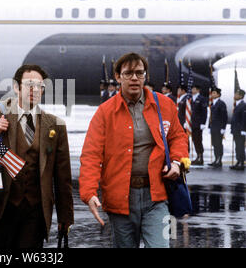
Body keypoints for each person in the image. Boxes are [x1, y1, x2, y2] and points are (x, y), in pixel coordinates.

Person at [0, 64, 74, 248]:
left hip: (35, 210)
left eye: (39, 86)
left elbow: (62, 177)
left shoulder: (55, 126)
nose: (34, 90)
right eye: (29, 84)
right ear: (17, 87)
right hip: (2, 206)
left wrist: (65, 217)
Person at [79, 52, 188, 248]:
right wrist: (89, 192)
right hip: (120, 200)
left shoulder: (164, 105)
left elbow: (178, 137)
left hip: (157, 197)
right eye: (128, 73)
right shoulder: (104, 112)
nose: (135, 78)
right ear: (118, 76)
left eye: (139, 72)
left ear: (145, 75)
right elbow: (91, 155)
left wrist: (178, 163)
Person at [189, 84, 208, 165]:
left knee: (198, 140)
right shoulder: (191, 98)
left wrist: (203, 123)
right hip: (192, 123)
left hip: (198, 123)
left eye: (194, 88)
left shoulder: (201, 99)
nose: (192, 90)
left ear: (197, 90)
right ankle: (197, 156)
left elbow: (204, 112)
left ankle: (201, 157)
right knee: (194, 140)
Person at [208, 87, 227, 168]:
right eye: (212, 93)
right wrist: (209, 126)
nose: (212, 94)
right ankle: (216, 159)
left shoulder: (221, 103)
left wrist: (223, 128)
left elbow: (224, 116)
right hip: (213, 127)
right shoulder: (213, 103)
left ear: (218, 94)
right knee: (215, 144)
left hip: (219, 127)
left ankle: (219, 159)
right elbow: (211, 117)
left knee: (219, 144)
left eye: (214, 93)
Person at [230, 89, 246, 171]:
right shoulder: (237, 104)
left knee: (240, 147)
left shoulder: (243, 105)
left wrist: (244, 130)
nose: (235, 95)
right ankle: (238, 161)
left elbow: (244, 119)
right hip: (236, 129)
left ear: (241, 96)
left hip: (240, 130)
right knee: (237, 147)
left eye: (236, 94)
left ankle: (242, 162)